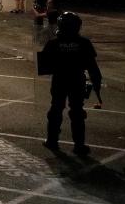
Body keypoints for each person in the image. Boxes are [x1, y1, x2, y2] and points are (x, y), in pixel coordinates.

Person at [38, 12, 101, 155]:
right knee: (77, 112)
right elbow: (93, 66)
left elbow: (44, 64)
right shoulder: (83, 42)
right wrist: (96, 81)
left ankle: (52, 140)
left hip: (60, 80)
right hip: (77, 80)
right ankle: (79, 145)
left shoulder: (54, 42)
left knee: (56, 109)